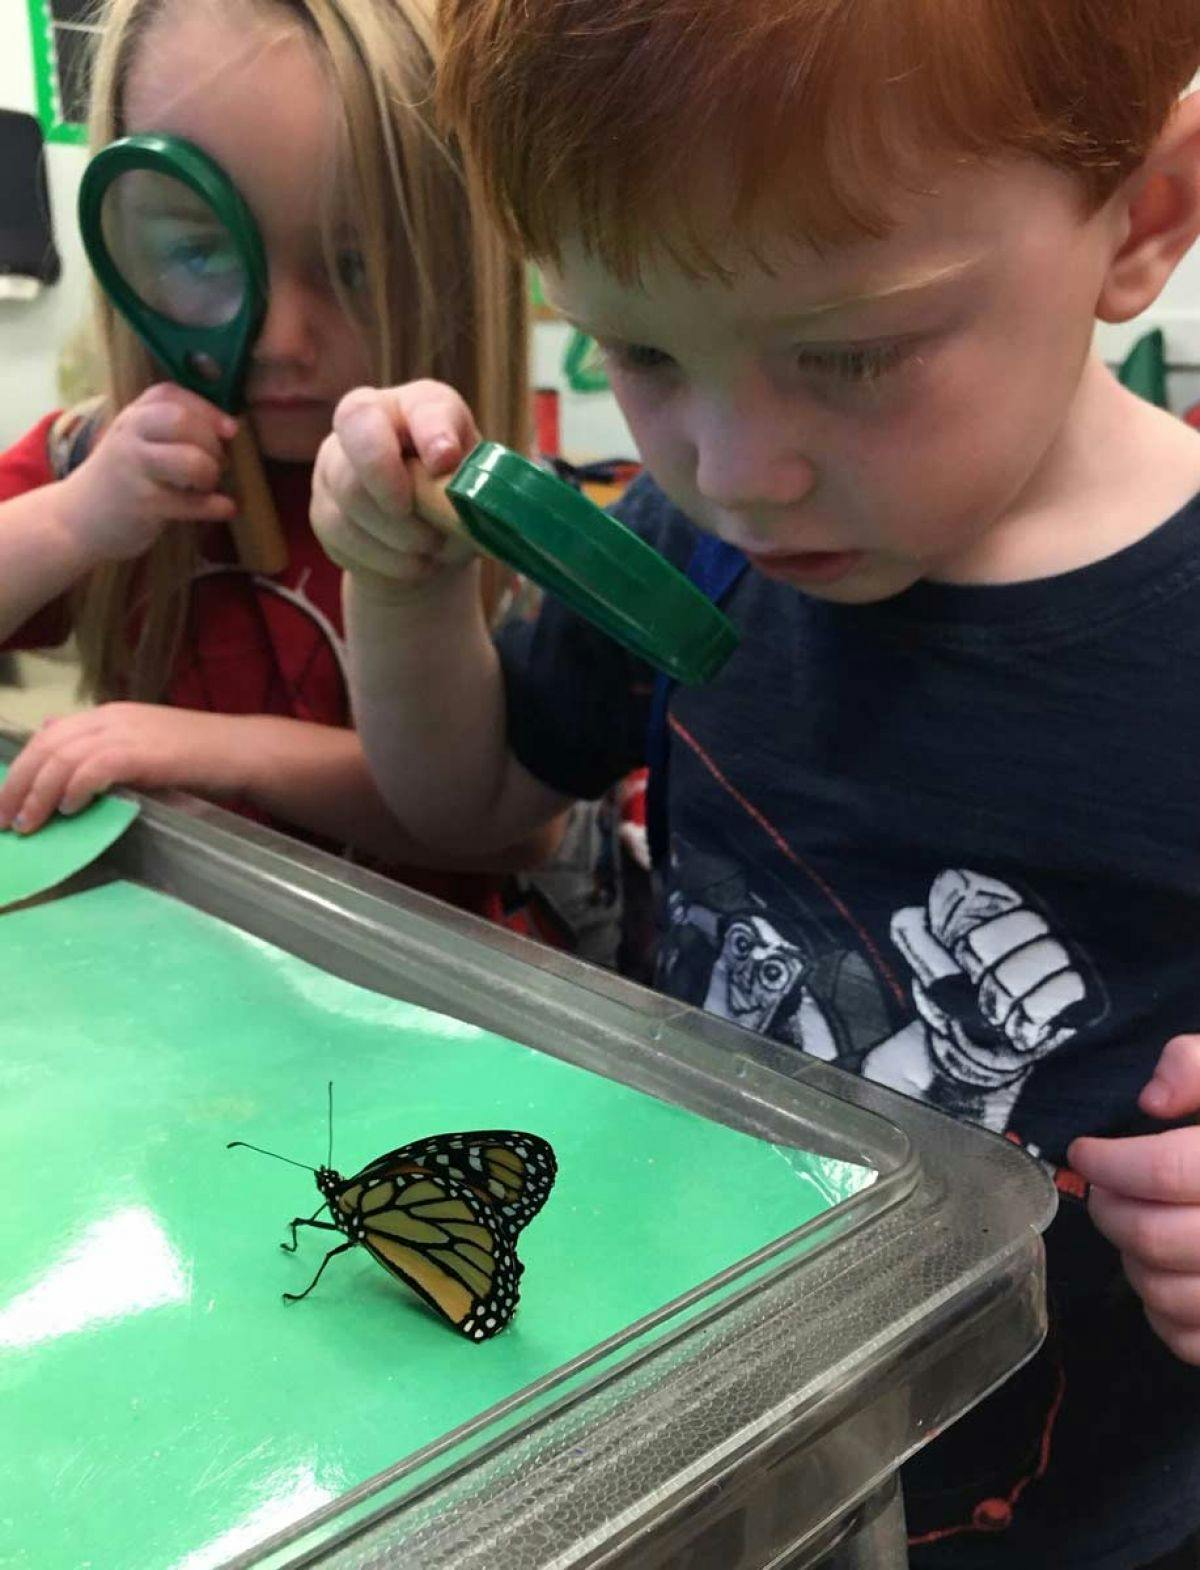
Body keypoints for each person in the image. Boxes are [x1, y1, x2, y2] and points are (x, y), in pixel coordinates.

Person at [309, 0, 1200, 1563]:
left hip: (1070, 1505)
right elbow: (472, 799)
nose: (733, 463)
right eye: (640, 349)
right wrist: (398, 586)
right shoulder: (687, 542)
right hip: (730, 1430)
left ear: (1144, 216)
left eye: (852, 351)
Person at [0, 0, 574, 934]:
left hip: (424, 996)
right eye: (198, 250)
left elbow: (512, 832)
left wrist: (212, 751)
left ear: (457, 268)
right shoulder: (94, 458)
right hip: (173, 962)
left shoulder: (483, 505)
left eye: (355, 265)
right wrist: (72, 521)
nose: (277, 339)